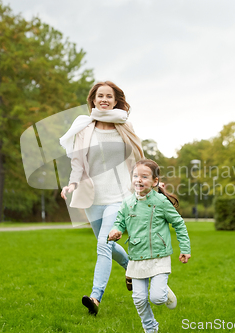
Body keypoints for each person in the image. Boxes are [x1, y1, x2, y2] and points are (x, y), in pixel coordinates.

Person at [60, 81, 145, 315]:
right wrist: (72, 184)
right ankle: (131, 267)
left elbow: (138, 156)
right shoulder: (84, 128)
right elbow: (77, 162)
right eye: (100, 96)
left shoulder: (125, 126)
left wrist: (147, 181)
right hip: (93, 198)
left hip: (120, 196)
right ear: (93, 100)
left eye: (109, 96)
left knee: (103, 244)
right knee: (106, 242)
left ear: (116, 100)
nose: (104, 99)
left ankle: (95, 297)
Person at [108, 159, 191, 333]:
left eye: (144, 176)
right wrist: (115, 231)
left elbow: (179, 224)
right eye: (136, 175)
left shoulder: (160, 201)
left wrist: (185, 248)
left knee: (157, 298)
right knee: (138, 299)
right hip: (137, 257)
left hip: (159, 257)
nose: (139, 179)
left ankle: (163, 290)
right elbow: (119, 222)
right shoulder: (127, 203)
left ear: (154, 182)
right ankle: (150, 327)